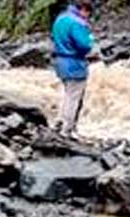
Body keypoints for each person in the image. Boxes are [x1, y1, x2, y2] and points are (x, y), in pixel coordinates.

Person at [51, 0, 97, 138]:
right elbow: (84, 45)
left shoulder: (60, 18)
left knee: (68, 94)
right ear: (83, 9)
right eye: (87, 13)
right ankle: (68, 130)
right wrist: (90, 40)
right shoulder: (78, 23)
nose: (87, 17)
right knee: (74, 97)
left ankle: (59, 124)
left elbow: (53, 37)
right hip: (74, 63)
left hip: (60, 61)